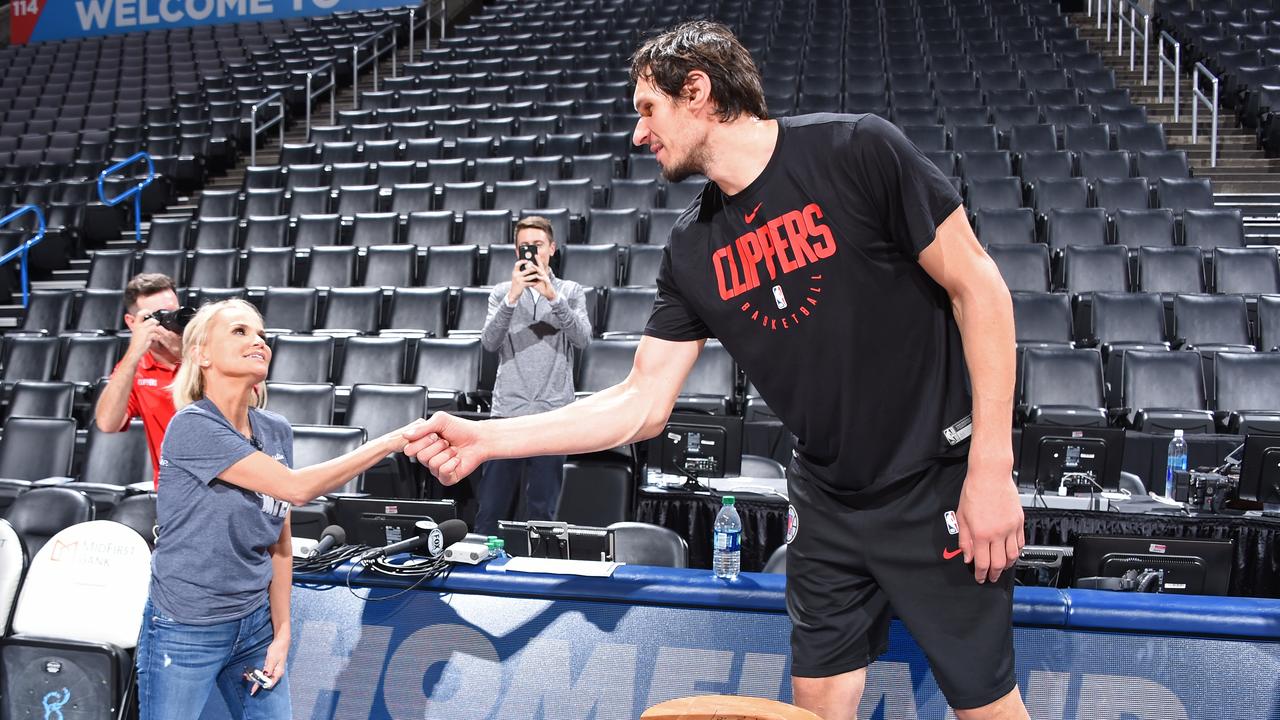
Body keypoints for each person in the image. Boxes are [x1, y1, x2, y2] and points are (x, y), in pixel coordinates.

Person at [404, 20, 1030, 720]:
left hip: (934, 483)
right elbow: (641, 402)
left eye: (648, 110)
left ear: (697, 91)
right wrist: (489, 437)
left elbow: (981, 290)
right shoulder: (691, 248)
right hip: (827, 504)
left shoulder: (858, 149)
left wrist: (990, 467)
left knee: (989, 710)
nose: (639, 136)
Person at [137, 299, 420, 720]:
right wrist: (391, 440)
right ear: (202, 354)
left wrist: (282, 631)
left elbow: (280, 541)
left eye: (262, 336)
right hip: (186, 627)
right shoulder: (192, 426)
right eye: (240, 331)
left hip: (253, 626)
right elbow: (297, 488)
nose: (258, 342)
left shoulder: (275, 430)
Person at [475, 215, 592, 533]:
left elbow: (583, 339)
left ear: (552, 249)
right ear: (517, 252)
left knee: (542, 512)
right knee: (491, 507)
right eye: (525, 246)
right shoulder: (501, 293)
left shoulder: (570, 290)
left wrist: (553, 297)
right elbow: (489, 342)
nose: (532, 252)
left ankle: (537, 576)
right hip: (507, 414)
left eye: (538, 245)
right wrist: (513, 298)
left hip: (553, 415)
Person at [95, 273, 184, 487]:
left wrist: (186, 355)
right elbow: (108, 423)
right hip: (173, 489)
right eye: (156, 317)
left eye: (173, 314)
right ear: (132, 322)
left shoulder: (209, 352)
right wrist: (134, 352)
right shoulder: (134, 368)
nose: (167, 324)